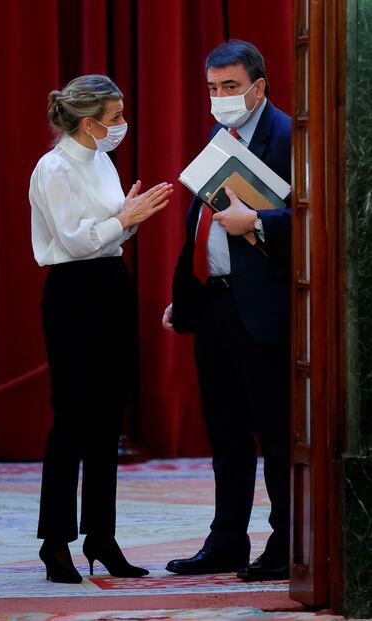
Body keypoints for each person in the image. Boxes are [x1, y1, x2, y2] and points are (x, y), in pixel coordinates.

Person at [29, 74, 173, 584]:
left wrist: (129, 217)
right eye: (114, 118)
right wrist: (123, 218)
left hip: (112, 283)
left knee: (110, 418)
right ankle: (55, 542)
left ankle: (102, 537)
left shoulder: (102, 159)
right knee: (72, 418)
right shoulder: (54, 168)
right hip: (73, 292)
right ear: (89, 123)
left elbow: (108, 236)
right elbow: (73, 242)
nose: (121, 126)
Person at [162, 40, 291, 582]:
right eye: (213, 89)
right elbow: (204, 219)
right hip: (216, 302)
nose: (220, 99)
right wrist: (189, 293)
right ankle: (227, 539)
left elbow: (315, 215)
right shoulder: (222, 134)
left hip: (262, 305)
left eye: (231, 88)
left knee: (278, 433)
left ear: (258, 87)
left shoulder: (288, 133)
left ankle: (288, 541)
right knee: (225, 432)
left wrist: (259, 223)